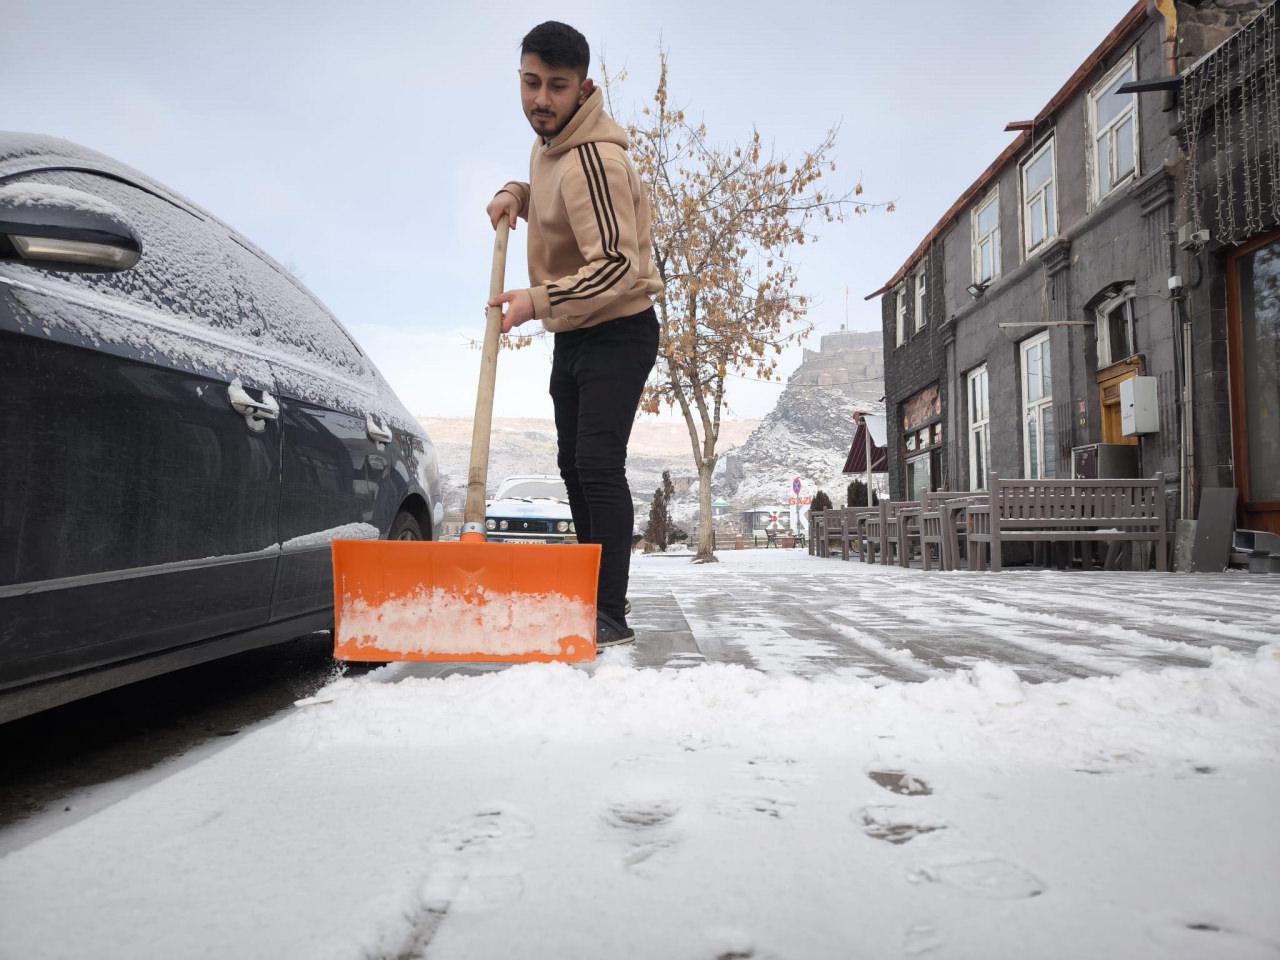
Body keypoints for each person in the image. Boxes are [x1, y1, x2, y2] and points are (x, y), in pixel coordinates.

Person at [486, 21, 662, 648]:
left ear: (584, 87)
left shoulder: (596, 158)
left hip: (620, 329)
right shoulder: (554, 142)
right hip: (579, 331)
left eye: (556, 87)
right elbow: (557, 201)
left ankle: (609, 612)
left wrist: (536, 300)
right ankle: (590, 596)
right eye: (531, 83)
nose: (541, 98)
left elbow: (619, 267)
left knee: (596, 464)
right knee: (572, 464)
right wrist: (517, 193)